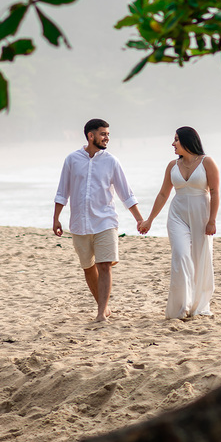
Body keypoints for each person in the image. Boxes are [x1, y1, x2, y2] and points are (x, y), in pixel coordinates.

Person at [53, 118, 144, 323]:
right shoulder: (72, 160)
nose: (107, 138)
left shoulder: (112, 161)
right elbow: (62, 191)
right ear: (90, 135)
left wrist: (139, 220)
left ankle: (101, 312)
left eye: (108, 134)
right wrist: (56, 218)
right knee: (88, 267)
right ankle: (103, 305)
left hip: (106, 221)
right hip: (79, 223)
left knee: (104, 266)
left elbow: (126, 194)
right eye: (103, 134)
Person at [138, 126, 219, 319]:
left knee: (200, 259)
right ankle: (181, 306)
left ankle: (199, 305)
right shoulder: (172, 166)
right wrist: (149, 220)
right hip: (177, 215)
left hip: (201, 214)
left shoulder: (207, 162)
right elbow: (163, 194)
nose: (173, 144)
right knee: (181, 256)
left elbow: (215, 192)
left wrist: (212, 220)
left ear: (187, 141)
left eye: (176, 139)